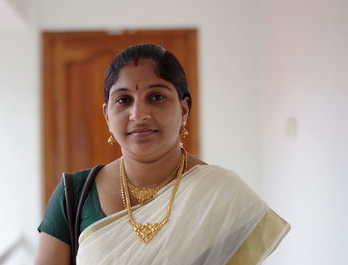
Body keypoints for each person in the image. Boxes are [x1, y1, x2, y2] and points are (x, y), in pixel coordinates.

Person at [34, 43, 290, 265]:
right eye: (123, 100)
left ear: (184, 110)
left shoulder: (222, 196)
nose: (138, 114)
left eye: (156, 97)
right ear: (107, 116)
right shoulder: (74, 194)